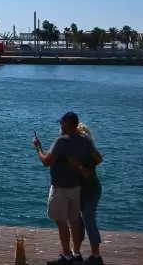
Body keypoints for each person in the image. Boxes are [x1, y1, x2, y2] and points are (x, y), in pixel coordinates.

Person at [33, 111, 96, 265]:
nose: (60, 125)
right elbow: (96, 158)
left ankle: (66, 256)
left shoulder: (61, 141)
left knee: (61, 222)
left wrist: (38, 148)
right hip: (76, 188)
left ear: (67, 124)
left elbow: (46, 161)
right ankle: (76, 253)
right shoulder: (85, 141)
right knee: (74, 221)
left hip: (60, 188)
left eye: (62, 122)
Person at [70, 123, 105, 264]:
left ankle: (96, 256)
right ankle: (76, 252)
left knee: (89, 221)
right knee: (77, 222)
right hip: (77, 190)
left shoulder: (88, 150)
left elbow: (98, 159)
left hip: (90, 190)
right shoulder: (74, 150)